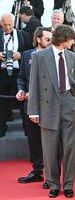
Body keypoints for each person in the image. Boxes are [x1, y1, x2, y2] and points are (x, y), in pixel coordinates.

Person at [27, 24, 75, 199]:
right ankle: (53, 183)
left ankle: (69, 184)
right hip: (47, 105)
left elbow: (73, 81)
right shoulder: (39, 56)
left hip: (68, 103)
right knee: (50, 148)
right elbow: (33, 84)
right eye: (71, 39)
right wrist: (33, 111)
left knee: (70, 147)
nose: (73, 42)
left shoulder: (72, 56)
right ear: (64, 39)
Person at [16, 27, 52, 186]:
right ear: (38, 39)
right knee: (34, 138)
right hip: (30, 105)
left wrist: (36, 92)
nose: (50, 42)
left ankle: (52, 175)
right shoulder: (26, 55)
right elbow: (22, 77)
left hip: (49, 105)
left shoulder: (54, 56)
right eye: (47, 39)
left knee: (50, 140)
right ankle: (37, 171)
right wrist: (21, 90)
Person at [0, 13, 30, 138]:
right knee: (1, 102)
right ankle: (1, 129)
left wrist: (21, 55)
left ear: (14, 23)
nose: (7, 27)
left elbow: (31, 51)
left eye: (9, 25)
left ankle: (28, 130)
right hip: (2, 74)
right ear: (1, 24)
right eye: (4, 25)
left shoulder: (24, 35)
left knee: (23, 101)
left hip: (19, 73)